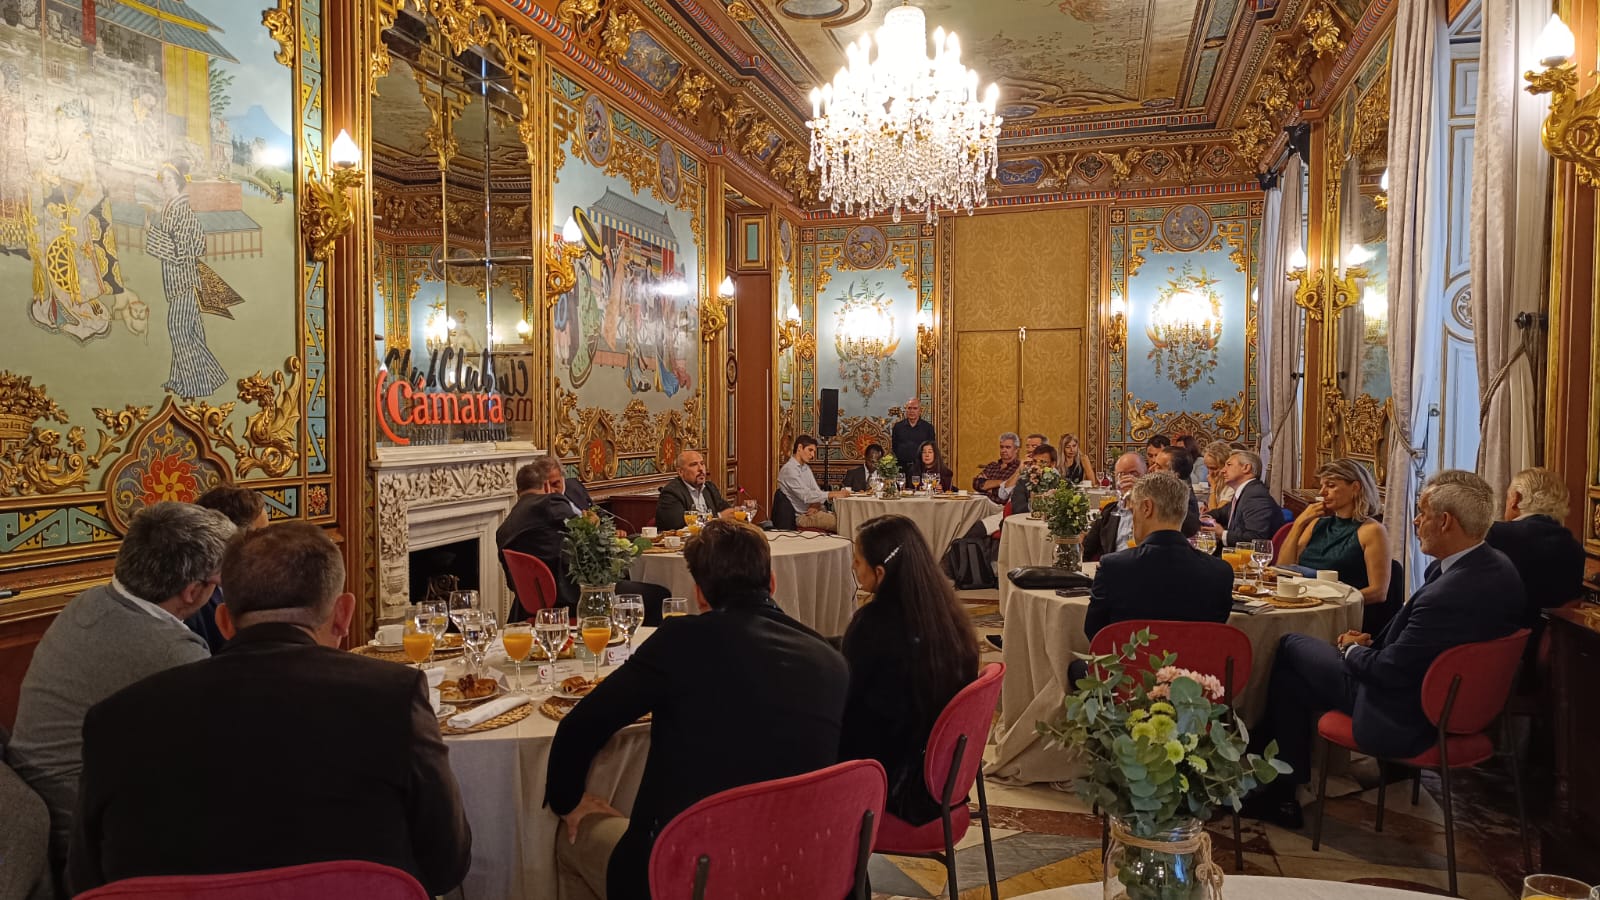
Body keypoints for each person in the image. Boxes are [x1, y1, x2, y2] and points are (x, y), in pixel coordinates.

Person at [67, 523, 472, 895]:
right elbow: (445, 864)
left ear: (224, 622)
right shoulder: (394, 697)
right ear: (344, 615)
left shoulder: (112, 721)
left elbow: (86, 880)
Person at [547, 520, 849, 900]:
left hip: (692, 872)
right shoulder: (830, 660)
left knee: (567, 836)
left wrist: (567, 801)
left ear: (700, 595)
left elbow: (582, 725)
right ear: (772, 582)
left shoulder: (680, 642)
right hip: (800, 869)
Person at [1242, 471, 1525, 829]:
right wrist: (1372, 643)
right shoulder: (1497, 568)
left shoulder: (1447, 592)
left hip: (1402, 708)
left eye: (1422, 513)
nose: (1416, 521)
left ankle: (1277, 787)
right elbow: (1429, 645)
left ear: (1446, 521)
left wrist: (1349, 650)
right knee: (1294, 680)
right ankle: (1279, 790)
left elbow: (1388, 670)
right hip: (1455, 703)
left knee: (1290, 646)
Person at [7, 502, 231, 881]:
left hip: (45, 803)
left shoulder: (90, 600)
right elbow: (225, 748)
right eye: (219, 583)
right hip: (83, 839)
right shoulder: (171, 651)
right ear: (194, 591)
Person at [841, 515, 978, 824]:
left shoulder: (872, 625)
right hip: (940, 775)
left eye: (857, 560)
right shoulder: (946, 615)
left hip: (894, 785)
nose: (853, 567)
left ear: (880, 572)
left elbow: (851, 707)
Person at [1081, 472, 1235, 643]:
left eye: (1133, 510)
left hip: (1128, 667)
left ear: (1147, 508)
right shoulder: (1221, 572)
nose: (1133, 521)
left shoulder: (1114, 566)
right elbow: (1215, 635)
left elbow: (1095, 633)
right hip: (1193, 668)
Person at [1277, 460, 1391, 621]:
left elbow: (1379, 592)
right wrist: (1299, 523)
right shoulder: (1318, 523)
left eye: (1331, 486)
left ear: (1355, 488)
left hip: (1341, 615)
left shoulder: (1372, 530)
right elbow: (1284, 568)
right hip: (1305, 607)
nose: (1322, 492)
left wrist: (1329, 602)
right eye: (1322, 486)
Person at [1487, 466, 1585, 624]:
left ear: (1516, 499)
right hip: (1549, 644)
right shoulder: (1575, 548)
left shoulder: (1495, 536)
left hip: (1495, 639)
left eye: (1507, 497)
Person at [185, 484, 270, 653]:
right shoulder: (193, 598)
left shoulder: (267, 580)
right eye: (261, 535)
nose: (269, 542)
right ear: (229, 539)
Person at [497, 457, 583, 616]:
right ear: (546, 486)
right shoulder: (551, 502)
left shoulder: (502, 531)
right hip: (572, 601)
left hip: (527, 609)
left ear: (517, 493)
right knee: (641, 594)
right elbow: (586, 536)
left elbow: (512, 584)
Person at [1201, 450, 1281, 546]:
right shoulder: (1246, 491)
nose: (1223, 470)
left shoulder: (1255, 496)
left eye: (1229, 465)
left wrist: (1223, 534)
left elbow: (1256, 538)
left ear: (1246, 468)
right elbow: (1221, 513)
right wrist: (1206, 518)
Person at [778, 435, 848, 531]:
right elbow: (806, 496)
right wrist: (832, 494)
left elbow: (816, 492)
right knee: (843, 522)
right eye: (810, 450)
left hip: (814, 511)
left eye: (814, 452)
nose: (813, 455)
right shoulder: (789, 470)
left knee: (847, 518)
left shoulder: (806, 468)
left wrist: (816, 504)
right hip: (802, 516)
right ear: (799, 448)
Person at [1084, 452, 1146, 560]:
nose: (1127, 479)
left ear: (1146, 476)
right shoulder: (1109, 511)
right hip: (1113, 570)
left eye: (1134, 474)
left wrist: (1137, 501)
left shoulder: (1154, 512)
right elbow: (1087, 549)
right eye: (1121, 474)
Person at [654, 449, 732, 530]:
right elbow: (679, 524)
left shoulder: (709, 488)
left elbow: (726, 510)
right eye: (694, 465)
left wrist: (739, 510)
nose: (701, 469)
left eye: (702, 464)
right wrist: (718, 518)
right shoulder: (671, 493)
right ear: (681, 472)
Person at [1146, 445, 1203, 537]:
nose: (1151, 469)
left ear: (1175, 475)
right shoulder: (1161, 490)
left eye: (1159, 467)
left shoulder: (1185, 503)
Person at [1006, 444, 1057, 515]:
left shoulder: (1060, 483)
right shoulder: (1023, 482)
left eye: (1043, 462)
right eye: (1035, 461)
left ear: (1052, 464)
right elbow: (1017, 508)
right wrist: (1035, 504)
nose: (1037, 465)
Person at [890, 397, 935, 476]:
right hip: (901, 468)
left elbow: (931, 448)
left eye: (915, 408)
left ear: (920, 411)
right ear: (906, 410)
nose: (912, 411)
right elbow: (895, 447)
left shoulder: (928, 428)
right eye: (909, 408)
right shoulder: (898, 427)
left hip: (921, 468)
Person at [972, 432, 1021, 502]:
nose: (1004, 450)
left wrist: (988, 486)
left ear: (1016, 450)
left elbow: (1009, 493)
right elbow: (976, 484)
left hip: (1000, 507)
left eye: (1008, 447)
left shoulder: (1018, 468)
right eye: (1002, 447)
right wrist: (1001, 482)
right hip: (982, 504)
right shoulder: (992, 466)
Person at [1201, 440, 1235, 510]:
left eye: (1214, 468)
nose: (1210, 473)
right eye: (1208, 468)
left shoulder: (1233, 485)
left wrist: (1213, 486)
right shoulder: (1219, 480)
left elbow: (1216, 514)